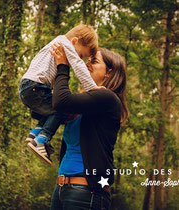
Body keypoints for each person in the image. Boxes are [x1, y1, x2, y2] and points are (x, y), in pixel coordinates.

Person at [49, 43, 128, 209]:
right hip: (62, 188)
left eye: (94, 61)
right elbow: (50, 108)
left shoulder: (108, 98)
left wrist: (63, 66)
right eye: (88, 60)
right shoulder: (86, 102)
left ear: (109, 73)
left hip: (86, 192)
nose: (87, 64)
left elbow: (61, 101)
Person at [19, 24, 98, 165]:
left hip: (27, 87)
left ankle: (35, 134)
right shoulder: (65, 44)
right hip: (36, 87)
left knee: (51, 109)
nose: (80, 58)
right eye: (81, 55)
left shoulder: (56, 43)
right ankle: (41, 140)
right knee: (61, 108)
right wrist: (92, 88)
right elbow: (78, 66)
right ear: (75, 41)